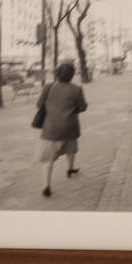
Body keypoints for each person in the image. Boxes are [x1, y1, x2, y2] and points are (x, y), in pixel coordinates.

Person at [36, 60, 87, 198]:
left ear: (57, 74)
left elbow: (39, 104)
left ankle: (46, 186)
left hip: (51, 129)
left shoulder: (48, 87)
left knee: (49, 159)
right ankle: (70, 169)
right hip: (69, 127)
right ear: (71, 75)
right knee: (71, 149)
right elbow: (83, 107)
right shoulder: (76, 89)